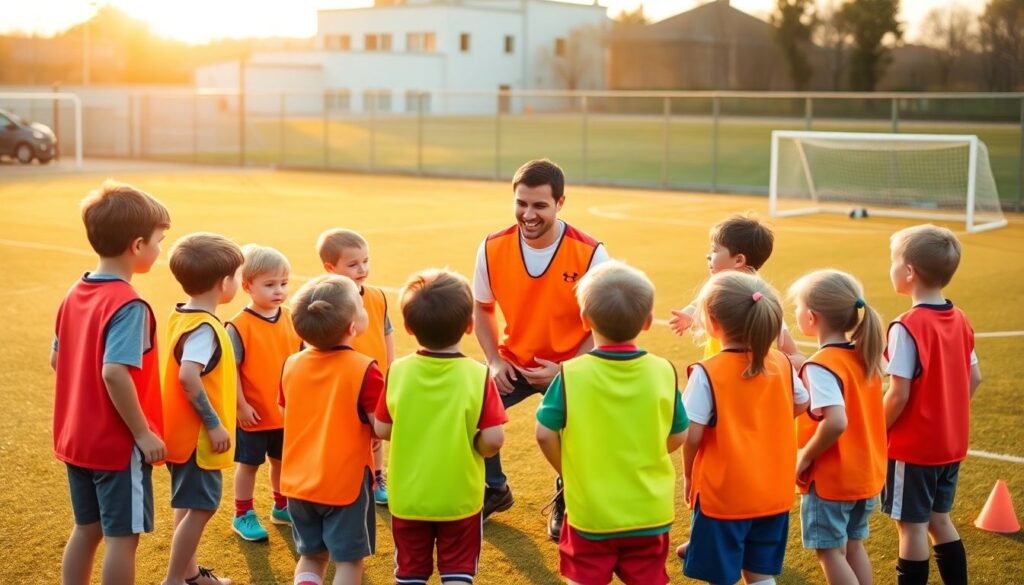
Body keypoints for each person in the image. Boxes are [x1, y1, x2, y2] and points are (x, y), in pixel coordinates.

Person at [473, 158, 609, 538]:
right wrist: (495, 362)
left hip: (571, 366)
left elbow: (601, 324)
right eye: (521, 203)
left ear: (560, 202)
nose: (528, 214)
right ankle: (495, 489)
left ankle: (565, 498)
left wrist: (567, 369)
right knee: (470, 407)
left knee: (575, 436)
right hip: (513, 362)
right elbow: (482, 308)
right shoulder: (491, 246)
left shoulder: (592, 253)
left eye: (539, 205)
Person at [535, 261, 687, 585]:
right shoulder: (663, 370)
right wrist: (648, 450)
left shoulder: (570, 373)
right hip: (649, 512)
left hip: (591, 514)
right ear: (647, 322)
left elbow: (544, 433)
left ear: (584, 320)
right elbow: (680, 433)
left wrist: (567, 469)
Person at [51, 180, 169, 585]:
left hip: (76, 440)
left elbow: (57, 358)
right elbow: (114, 372)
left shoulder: (74, 291)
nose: (160, 250)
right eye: (159, 241)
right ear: (137, 245)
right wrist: (143, 433)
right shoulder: (128, 304)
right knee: (123, 538)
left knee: (87, 529)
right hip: (116, 446)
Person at [374, 269, 507, 584]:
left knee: (410, 572)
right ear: (470, 326)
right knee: (457, 572)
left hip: (409, 498)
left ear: (407, 328)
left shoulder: (398, 371)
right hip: (459, 498)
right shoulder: (478, 375)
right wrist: (475, 446)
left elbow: (381, 429)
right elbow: (493, 438)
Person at [681, 271, 809, 585]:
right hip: (773, 490)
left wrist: (688, 474)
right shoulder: (780, 361)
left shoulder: (707, 372)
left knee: (721, 574)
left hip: (725, 494)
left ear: (711, 321)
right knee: (760, 572)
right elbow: (802, 403)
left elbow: (691, 434)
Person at [882, 225, 981, 585]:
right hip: (950, 445)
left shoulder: (907, 326)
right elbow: (975, 377)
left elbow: (898, 394)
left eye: (894, 261)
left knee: (911, 527)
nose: (890, 268)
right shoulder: (960, 318)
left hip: (914, 449)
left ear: (909, 272)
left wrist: (876, 432)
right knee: (940, 520)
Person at [280, 275, 384, 585]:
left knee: (311, 557)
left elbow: (287, 412)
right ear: (353, 326)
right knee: (350, 563)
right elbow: (381, 427)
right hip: (345, 484)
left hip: (298, 483)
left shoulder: (291, 363)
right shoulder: (365, 368)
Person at [790, 269, 887, 585]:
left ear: (812, 317)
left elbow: (836, 422)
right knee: (853, 545)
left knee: (830, 552)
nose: (795, 313)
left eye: (798, 307)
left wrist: (804, 455)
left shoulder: (821, 365)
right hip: (865, 473)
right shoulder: (864, 353)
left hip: (833, 478)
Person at [161, 232, 244, 585]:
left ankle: (190, 575)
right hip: (197, 439)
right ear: (224, 283)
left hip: (178, 434)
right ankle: (174, 580)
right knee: (203, 506)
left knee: (187, 503)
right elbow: (188, 377)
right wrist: (213, 423)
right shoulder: (205, 329)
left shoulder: (181, 314)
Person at [226, 245, 302, 541]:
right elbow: (230, 371)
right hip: (253, 413)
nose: (279, 291)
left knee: (281, 462)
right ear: (247, 286)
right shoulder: (238, 326)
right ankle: (242, 513)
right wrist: (240, 406)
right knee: (249, 466)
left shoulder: (292, 318)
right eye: (269, 285)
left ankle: (281, 506)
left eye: (283, 283)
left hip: (286, 413)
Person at [318, 228, 394, 505]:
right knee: (345, 433)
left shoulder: (377, 296)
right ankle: (342, 478)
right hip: (343, 380)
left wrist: (391, 369)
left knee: (376, 432)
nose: (362, 268)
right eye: (353, 264)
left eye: (365, 261)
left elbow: (387, 333)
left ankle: (377, 478)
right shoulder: (328, 301)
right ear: (330, 268)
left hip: (374, 378)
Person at [667, 214, 804, 367]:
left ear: (739, 260)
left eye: (715, 250)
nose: (708, 255)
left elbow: (793, 354)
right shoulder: (718, 287)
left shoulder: (759, 299)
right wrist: (688, 315)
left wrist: (780, 364)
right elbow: (698, 304)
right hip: (719, 373)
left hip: (738, 377)